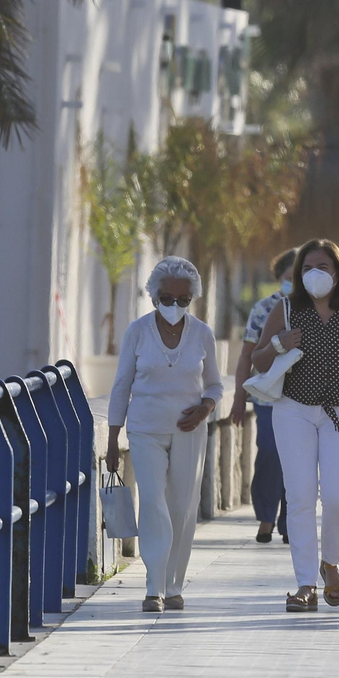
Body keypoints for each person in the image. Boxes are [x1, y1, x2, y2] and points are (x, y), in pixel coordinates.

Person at [251, 239, 339, 610]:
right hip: (294, 410)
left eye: (323, 267)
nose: (315, 274)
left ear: (338, 272)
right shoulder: (287, 309)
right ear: (298, 274)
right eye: (307, 267)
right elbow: (259, 360)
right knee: (300, 497)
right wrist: (278, 342)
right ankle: (305, 583)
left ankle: (331, 563)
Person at [105, 257, 223, 612]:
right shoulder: (137, 332)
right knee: (154, 502)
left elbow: (215, 385)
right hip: (144, 430)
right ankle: (154, 587)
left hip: (190, 431)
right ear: (154, 296)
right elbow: (122, 384)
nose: (175, 306)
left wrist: (205, 408)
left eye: (183, 300)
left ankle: (174, 586)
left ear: (192, 299)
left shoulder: (202, 333)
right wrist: (113, 439)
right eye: (167, 298)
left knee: (182, 509)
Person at [231, 248, 297, 544]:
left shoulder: (318, 309)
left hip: (302, 397)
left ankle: (289, 520)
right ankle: (266, 516)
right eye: (289, 277)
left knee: (296, 458)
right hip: (268, 396)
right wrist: (237, 397)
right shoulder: (263, 308)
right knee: (270, 453)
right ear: (279, 277)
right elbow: (247, 354)